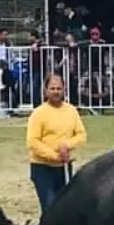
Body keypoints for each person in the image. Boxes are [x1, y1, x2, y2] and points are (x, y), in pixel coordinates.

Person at [25, 72, 87, 213]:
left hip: (64, 168)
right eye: (52, 89)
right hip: (42, 168)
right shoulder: (39, 113)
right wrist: (54, 156)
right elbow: (33, 142)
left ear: (64, 90)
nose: (56, 92)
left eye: (59, 88)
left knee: (65, 208)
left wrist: (67, 145)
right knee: (50, 208)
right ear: (46, 91)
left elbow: (81, 135)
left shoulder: (71, 111)